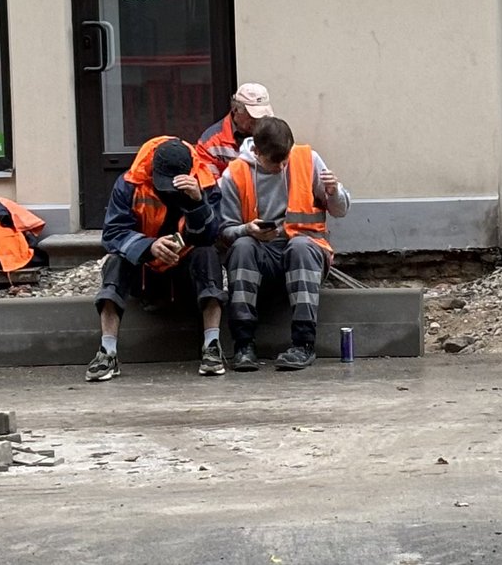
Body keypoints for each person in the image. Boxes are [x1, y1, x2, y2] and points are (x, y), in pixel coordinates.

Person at [86, 136, 228, 381]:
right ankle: (107, 352)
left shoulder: (204, 184)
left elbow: (211, 235)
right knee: (115, 262)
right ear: (152, 168)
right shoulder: (129, 183)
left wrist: (198, 204)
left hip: (186, 273)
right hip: (145, 271)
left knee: (208, 254)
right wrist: (149, 246)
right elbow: (112, 235)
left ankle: (212, 346)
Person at [218, 117, 350, 371]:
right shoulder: (235, 174)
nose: (281, 166)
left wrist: (334, 192)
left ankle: (303, 344)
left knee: (300, 246)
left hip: (305, 254)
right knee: (243, 247)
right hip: (261, 257)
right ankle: (244, 345)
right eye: (273, 160)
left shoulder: (308, 159)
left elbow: (340, 211)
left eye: (285, 158)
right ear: (256, 152)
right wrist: (248, 230)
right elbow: (224, 232)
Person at [196, 83, 275, 180]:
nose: (258, 121)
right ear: (235, 109)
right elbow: (209, 186)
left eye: (263, 116)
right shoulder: (210, 143)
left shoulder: (273, 133)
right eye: (253, 116)